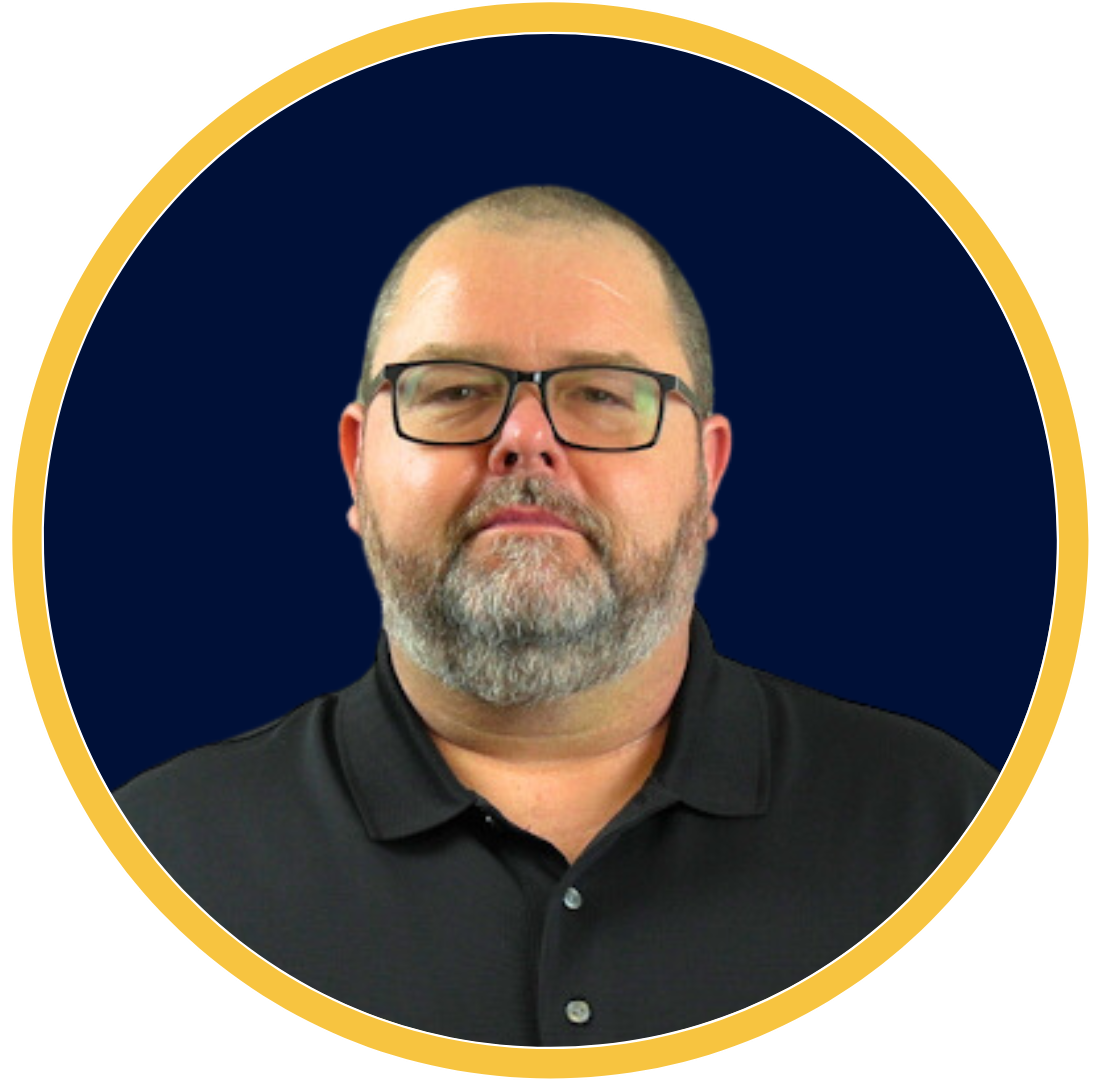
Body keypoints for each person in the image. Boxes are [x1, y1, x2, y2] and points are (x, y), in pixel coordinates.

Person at [116, 185, 995, 1046]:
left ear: (707, 473)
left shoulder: (943, 832)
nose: (525, 438)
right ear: (356, 465)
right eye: (453, 389)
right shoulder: (161, 857)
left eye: (604, 393)